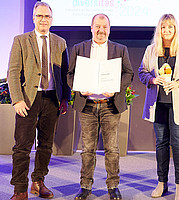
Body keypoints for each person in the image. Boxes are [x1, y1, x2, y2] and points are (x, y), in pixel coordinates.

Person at [7, 2, 70, 200]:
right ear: (34, 18)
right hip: (27, 100)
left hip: (52, 100)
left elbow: (65, 73)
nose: (44, 19)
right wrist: (17, 100)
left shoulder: (60, 42)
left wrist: (65, 98)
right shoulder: (21, 40)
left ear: (52, 19)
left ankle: (38, 182)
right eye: (40, 16)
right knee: (22, 147)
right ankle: (20, 190)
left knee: (46, 145)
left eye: (47, 16)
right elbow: (13, 72)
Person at [67, 14, 134, 200]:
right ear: (91, 27)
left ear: (109, 29)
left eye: (104, 27)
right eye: (97, 26)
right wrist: (79, 87)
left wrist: (116, 89)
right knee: (87, 149)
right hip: (87, 105)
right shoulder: (79, 48)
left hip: (109, 105)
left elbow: (129, 73)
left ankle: (113, 186)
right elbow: (69, 74)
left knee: (112, 149)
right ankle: (85, 186)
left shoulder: (120, 49)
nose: (101, 30)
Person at [138, 14, 179, 200]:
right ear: (159, 29)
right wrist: (153, 79)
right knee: (161, 144)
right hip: (159, 104)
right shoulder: (151, 49)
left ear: (175, 29)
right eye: (163, 27)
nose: (166, 31)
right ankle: (161, 182)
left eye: (170, 27)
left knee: (178, 143)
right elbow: (142, 72)